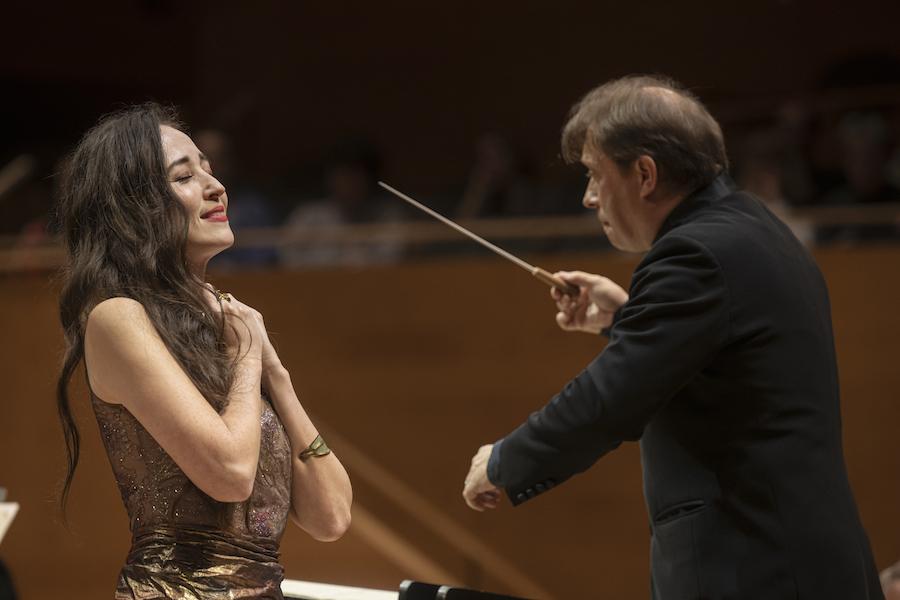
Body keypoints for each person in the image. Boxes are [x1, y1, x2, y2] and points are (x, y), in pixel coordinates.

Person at [461, 75, 883, 598]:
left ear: (644, 174)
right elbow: (723, 359)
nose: (590, 198)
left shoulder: (695, 255)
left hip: (757, 568)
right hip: (797, 559)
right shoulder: (754, 227)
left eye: (594, 175)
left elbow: (609, 399)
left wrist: (504, 460)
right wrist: (625, 320)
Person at [55, 102, 352, 599]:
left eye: (210, 171)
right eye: (184, 176)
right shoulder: (116, 317)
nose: (216, 187)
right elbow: (231, 475)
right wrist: (246, 359)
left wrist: (276, 376)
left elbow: (332, 518)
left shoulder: (230, 328)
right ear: (135, 205)